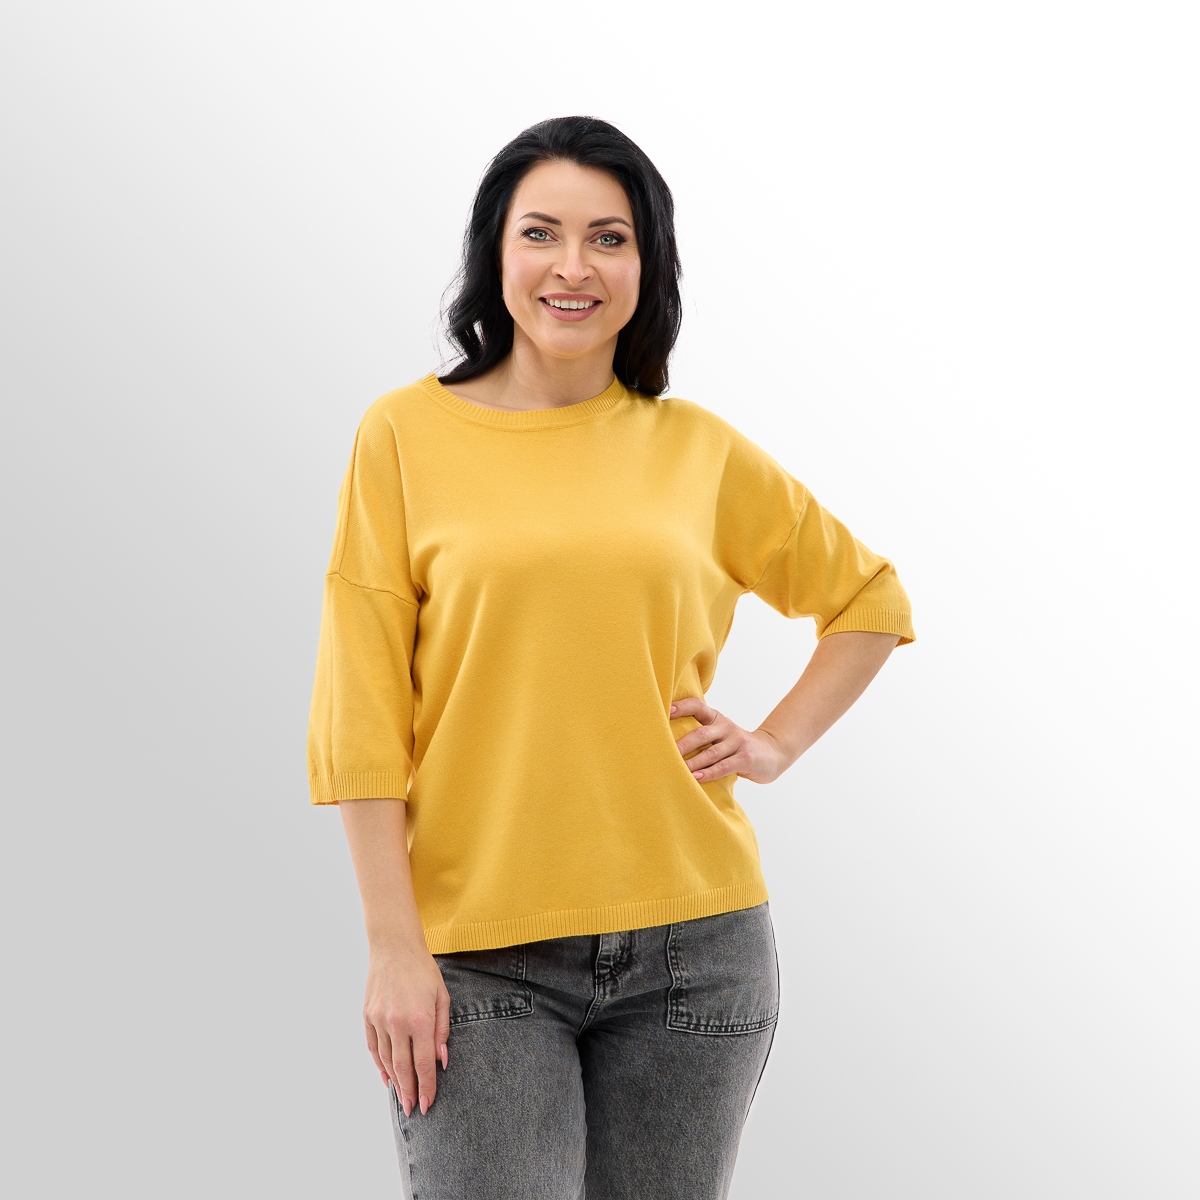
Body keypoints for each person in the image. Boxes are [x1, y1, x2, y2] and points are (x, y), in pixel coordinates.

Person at [306, 115, 916, 1200]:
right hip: (476, 957)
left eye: (610, 238)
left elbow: (869, 599)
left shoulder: (697, 450)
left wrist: (774, 744)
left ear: (648, 264)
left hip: (697, 950)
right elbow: (360, 712)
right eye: (541, 233)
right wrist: (394, 947)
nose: (573, 267)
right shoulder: (402, 435)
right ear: (496, 253)